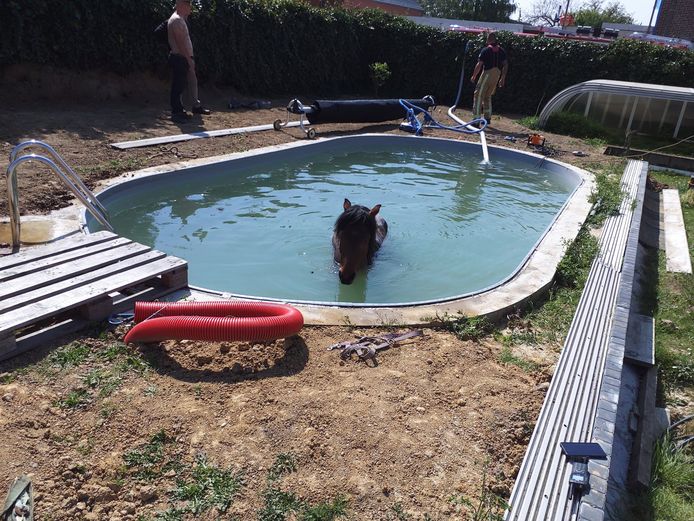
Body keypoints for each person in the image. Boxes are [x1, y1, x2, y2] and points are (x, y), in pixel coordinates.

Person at [167, 0, 211, 123]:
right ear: (181, 5)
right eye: (188, 5)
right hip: (180, 57)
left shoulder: (181, 19)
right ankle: (177, 112)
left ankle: (195, 106)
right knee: (178, 85)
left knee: (192, 80)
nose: (190, 8)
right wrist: (188, 59)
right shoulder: (176, 21)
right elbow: (181, 44)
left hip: (184, 57)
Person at [470, 32, 508, 126]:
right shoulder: (502, 51)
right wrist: (502, 78)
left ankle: (476, 120)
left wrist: (474, 76)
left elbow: (479, 65)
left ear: (490, 39)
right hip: (496, 75)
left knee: (478, 95)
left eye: (487, 39)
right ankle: (488, 118)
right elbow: (506, 64)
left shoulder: (486, 50)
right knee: (487, 96)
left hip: (487, 74)